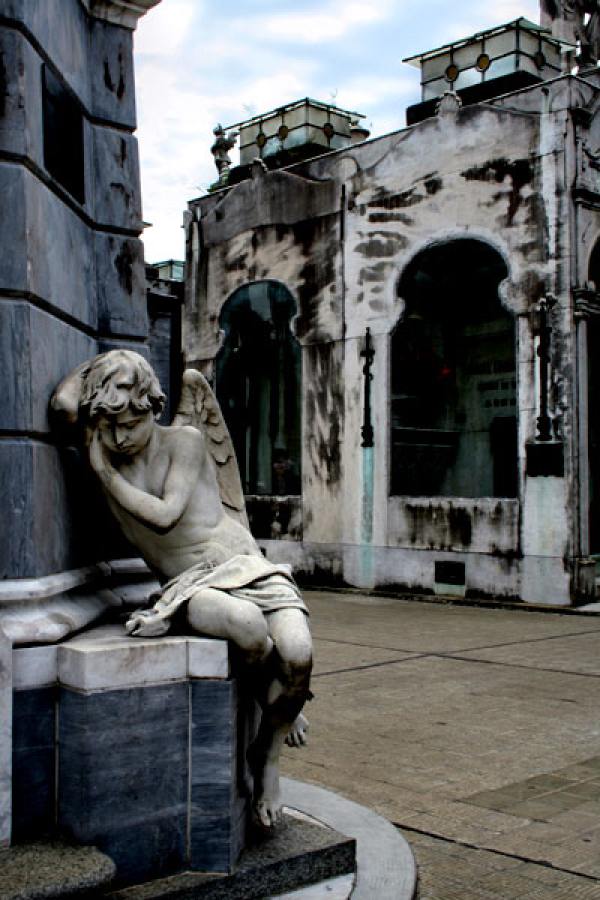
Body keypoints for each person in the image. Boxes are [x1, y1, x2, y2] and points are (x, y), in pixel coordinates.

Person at [53, 349, 312, 829]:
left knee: (298, 655)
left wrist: (104, 473)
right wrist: (108, 370)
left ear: (152, 407)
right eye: (109, 425)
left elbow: (166, 514)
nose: (120, 437)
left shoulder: (185, 441)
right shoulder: (103, 439)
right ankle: (275, 731)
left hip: (246, 563)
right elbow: (63, 407)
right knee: (249, 629)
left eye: (132, 422)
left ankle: (269, 747)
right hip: (190, 585)